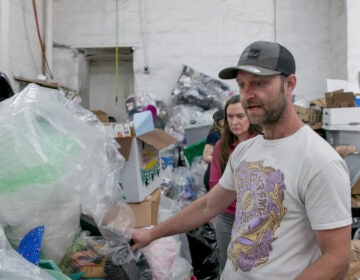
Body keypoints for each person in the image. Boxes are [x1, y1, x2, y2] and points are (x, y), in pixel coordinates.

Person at [131, 41, 352, 279]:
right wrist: (152, 234)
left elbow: (337, 259)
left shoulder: (319, 161)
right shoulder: (245, 151)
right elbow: (208, 206)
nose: (248, 94)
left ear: (289, 85)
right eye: (242, 85)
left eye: (260, 83)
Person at [209, 94, 260, 272]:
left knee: (254, 267)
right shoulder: (221, 146)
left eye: (240, 116)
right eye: (230, 117)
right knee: (228, 265)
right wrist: (214, 211)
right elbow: (215, 184)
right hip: (228, 217)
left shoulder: (262, 143)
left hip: (256, 218)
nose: (234, 122)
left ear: (250, 117)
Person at [202, 109, 225, 191]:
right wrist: (224, 161)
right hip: (213, 177)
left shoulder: (226, 134)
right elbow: (206, 156)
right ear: (219, 121)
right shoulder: (214, 135)